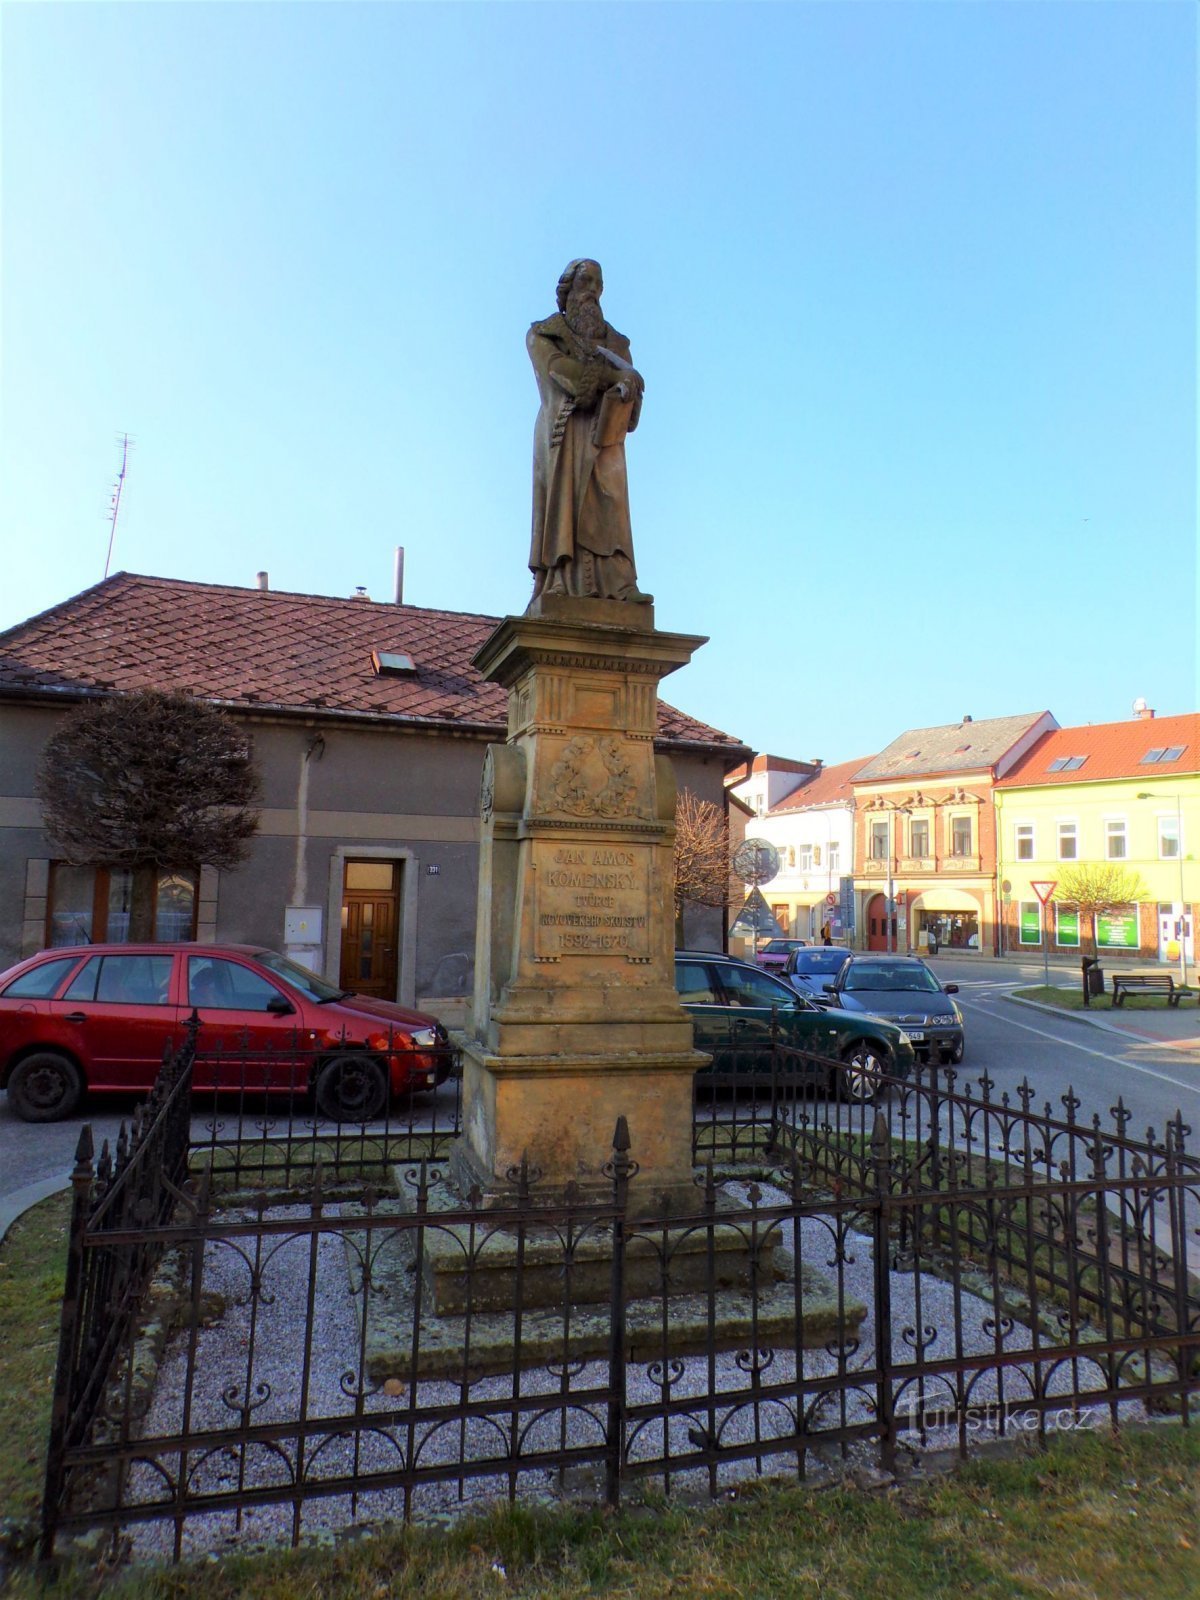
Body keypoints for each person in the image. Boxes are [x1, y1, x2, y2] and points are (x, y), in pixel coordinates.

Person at [527, 259, 651, 604]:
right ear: (567, 289)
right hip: (563, 432)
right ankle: (560, 582)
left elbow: (632, 392)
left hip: (605, 436)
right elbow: (561, 371)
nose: (593, 291)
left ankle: (618, 583)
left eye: (598, 284)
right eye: (586, 282)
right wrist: (614, 377)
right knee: (565, 505)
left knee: (610, 503)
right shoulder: (544, 334)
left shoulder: (617, 344)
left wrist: (628, 389)